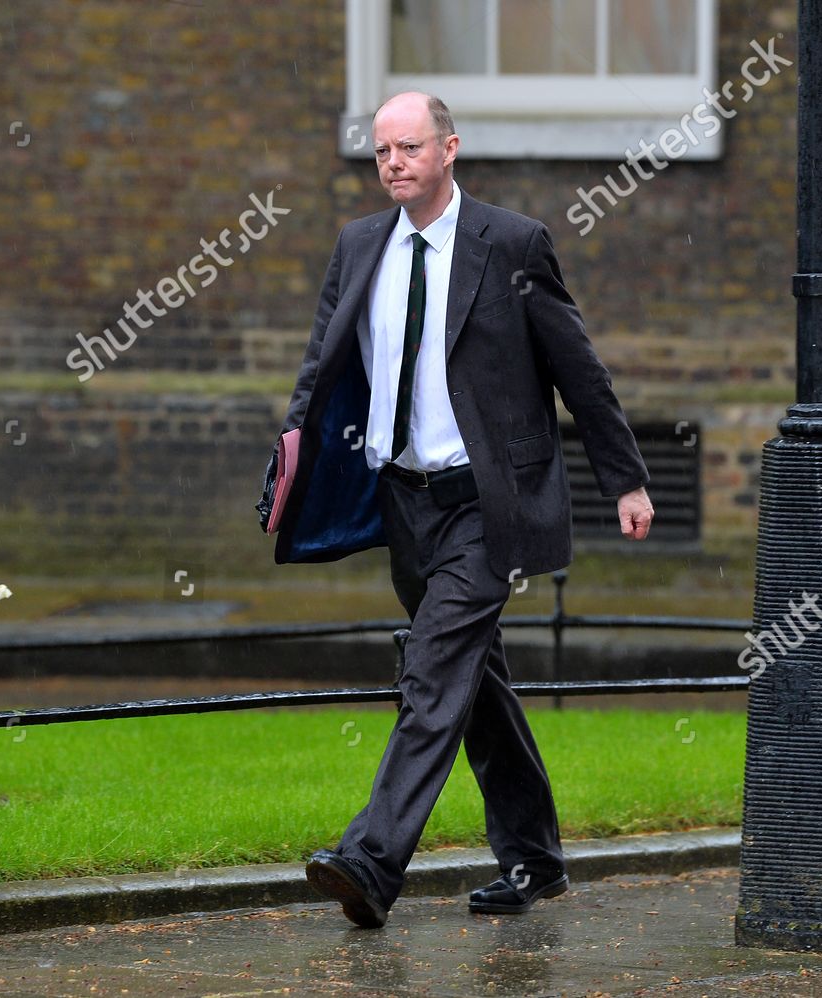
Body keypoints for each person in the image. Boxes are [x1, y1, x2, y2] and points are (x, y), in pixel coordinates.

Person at [264, 92, 654, 928]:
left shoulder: (510, 243)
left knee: (433, 672)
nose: (393, 163)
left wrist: (626, 478)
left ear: (450, 150)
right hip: (403, 500)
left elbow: (578, 371)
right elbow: (322, 362)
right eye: (381, 153)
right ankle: (535, 860)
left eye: (409, 148)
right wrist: (293, 454)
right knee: (476, 684)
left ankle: (371, 861)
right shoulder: (360, 244)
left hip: (488, 504)